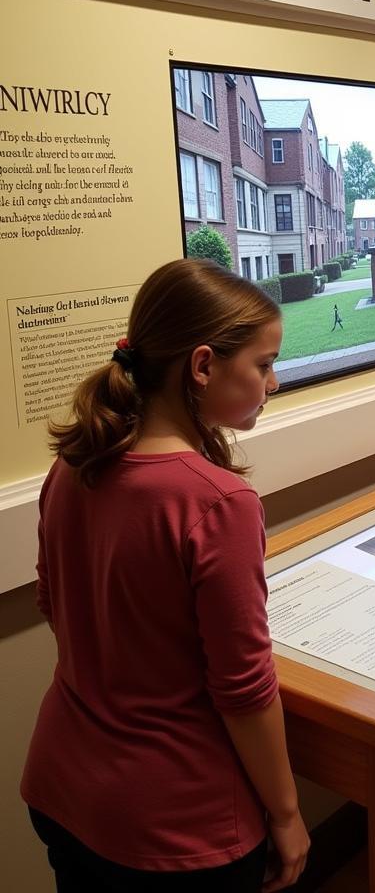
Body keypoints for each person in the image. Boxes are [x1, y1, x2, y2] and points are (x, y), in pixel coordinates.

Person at [21, 258, 309, 892]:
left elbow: (54, 601)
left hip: (63, 788)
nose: (274, 381)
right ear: (203, 366)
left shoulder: (73, 465)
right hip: (175, 824)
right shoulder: (217, 503)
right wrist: (287, 815)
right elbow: (243, 689)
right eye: (262, 364)